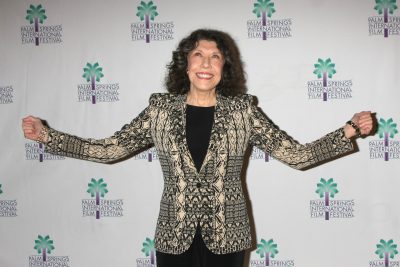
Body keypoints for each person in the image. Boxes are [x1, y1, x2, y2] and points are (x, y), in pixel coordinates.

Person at [22, 29, 373, 267]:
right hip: (173, 236)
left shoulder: (243, 111)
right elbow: (109, 149)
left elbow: (297, 156)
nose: (206, 63)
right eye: (198, 55)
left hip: (229, 237)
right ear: (185, 63)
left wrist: (350, 129)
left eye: (216, 57)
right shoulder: (160, 109)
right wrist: (47, 137)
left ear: (225, 67)